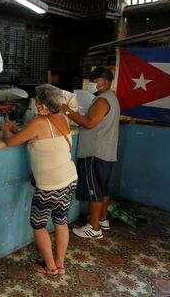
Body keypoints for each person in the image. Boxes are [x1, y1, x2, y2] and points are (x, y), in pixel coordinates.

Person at [2, 86, 78, 275]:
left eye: (36, 102)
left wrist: (5, 129)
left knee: (38, 224)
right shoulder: (63, 118)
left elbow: (11, 142)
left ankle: (50, 267)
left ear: (43, 106)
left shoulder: (38, 122)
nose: (35, 105)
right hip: (69, 179)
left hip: (50, 186)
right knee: (61, 220)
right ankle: (60, 264)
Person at [60, 67, 120, 239]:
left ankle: (94, 229)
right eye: (91, 81)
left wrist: (67, 111)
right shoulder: (111, 98)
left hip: (95, 152)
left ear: (106, 82)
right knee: (102, 189)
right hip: (106, 152)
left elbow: (89, 123)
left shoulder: (103, 100)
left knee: (94, 191)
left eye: (96, 81)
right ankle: (102, 220)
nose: (92, 84)